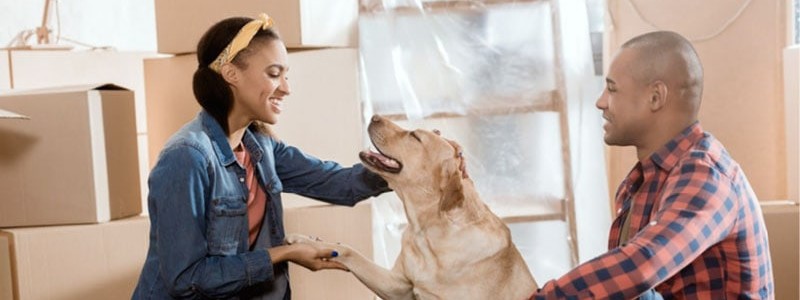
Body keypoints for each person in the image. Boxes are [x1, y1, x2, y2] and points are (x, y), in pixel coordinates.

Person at [132, 13, 390, 299]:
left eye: (286, 75)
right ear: (231, 74)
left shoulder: (261, 147)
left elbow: (340, 184)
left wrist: (412, 165)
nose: (286, 88)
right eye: (274, 73)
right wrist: (284, 253)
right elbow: (186, 280)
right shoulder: (186, 158)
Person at [529, 31, 774, 299]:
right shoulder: (641, 182)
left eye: (612, 89)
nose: (600, 102)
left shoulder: (706, 176)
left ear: (656, 97)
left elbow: (641, 266)